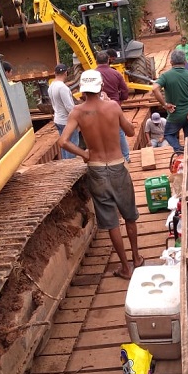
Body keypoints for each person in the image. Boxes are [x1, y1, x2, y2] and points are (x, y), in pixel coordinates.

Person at [58, 70, 144, 279]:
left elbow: (63, 141)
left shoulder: (77, 112)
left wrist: (85, 154)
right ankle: (136, 258)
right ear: (101, 87)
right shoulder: (113, 107)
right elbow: (131, 132)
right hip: (118, 167)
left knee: (111, 220)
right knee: (129, 215)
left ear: (82, 89)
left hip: (96, 169)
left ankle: (125, 268)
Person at [152, 49, 188, 153]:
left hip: (175, 116)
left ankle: (178, 150)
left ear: (171, 62)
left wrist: (165, 104)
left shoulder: (166, 76)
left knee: (169, 134)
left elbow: (155, 88)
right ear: (185, 62)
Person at [96, 50, 130, 162]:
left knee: (100, 133)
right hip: (114, 107)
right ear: (108, 60)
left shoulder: (93, 75)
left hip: (97, 109)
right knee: (119, 132)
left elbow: (84, 95)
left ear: (96, 61)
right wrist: (121, 99)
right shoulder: (116, 73)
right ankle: (125, 157)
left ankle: (105, 158)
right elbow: (125, 91)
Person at [48, 63, 79, 160]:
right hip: (67, 121)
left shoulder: (51, 86)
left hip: (58, 119)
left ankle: (65, 164)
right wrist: (78, 120)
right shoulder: (62, 88)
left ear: (55, 73)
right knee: (72, 146)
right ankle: (70, 167)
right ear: (66, 73)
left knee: (64, 144)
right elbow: (69, 107)